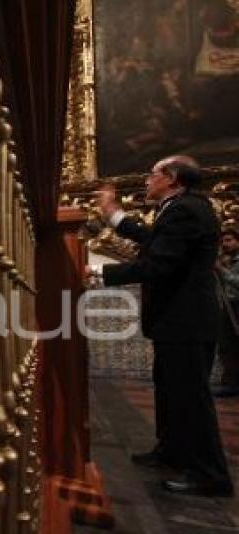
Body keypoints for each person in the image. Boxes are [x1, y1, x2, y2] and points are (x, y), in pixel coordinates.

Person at [86, 155, 233, 497]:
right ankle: (171, 451)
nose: (147, 181)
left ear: (171, 177)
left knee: (191, 398)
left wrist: (98, 273)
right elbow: (154, 239)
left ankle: (209, 474)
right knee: (170, 390)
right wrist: (114, 215)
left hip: (187, 322)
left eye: (153, 174)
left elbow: (159, 263)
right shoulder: (181, 207)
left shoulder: (186, 210)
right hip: (178, 322)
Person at [214, 227, 239, 397]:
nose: (225, 244)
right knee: (225, 345)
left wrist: (222, 270)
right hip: (227, 305)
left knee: (234, 345)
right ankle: (229, 381)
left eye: (229, 240)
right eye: (223, 241)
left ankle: (234, 384)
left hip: (237, 307)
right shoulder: (226, 261)